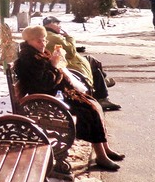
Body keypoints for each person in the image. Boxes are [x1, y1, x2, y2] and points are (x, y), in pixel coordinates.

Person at [14, 25, 124, 171]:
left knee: (93, 104)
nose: (43, 44)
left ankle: (105, 149)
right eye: (38, 41)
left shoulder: (38, 54)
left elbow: (49, 76)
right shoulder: (29, 59)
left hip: (57, 94)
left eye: (44, 40)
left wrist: (56, 64)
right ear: (29, 42)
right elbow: (44, 84)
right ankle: (101, 156)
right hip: (46, 101)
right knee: (89, 109)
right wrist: (54, 66)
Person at [42, 16, 120, 111]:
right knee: (93, 65)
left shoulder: (50, 35)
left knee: (91, 61)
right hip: (68, 65)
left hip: (67, 62)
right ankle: (102, 96)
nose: (60, 26)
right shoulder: (53, 37)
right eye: (57, 23)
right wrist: (68, 37)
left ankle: (102, 84)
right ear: (50, 24)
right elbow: (71, 52)